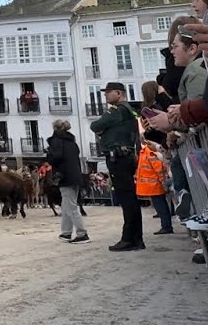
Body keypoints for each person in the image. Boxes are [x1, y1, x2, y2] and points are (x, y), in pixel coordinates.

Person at [90, 82, 142, 251]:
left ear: (119, 93)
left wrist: (102, 131)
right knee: (131, 200)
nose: (105, 95)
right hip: (126, 155)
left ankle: (128, 239)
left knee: (127, 200)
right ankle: (136, 238)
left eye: (108, 92)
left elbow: (95, 126)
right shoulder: (129, 110)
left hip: (118, 157)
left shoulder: (117, 110)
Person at [46, 119, 88, 244]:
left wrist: (48, 155)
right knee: (66, 206)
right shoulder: (72, 142)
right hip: (75, 176)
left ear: (55, 129)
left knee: (71, 207)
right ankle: (66, 232)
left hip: (65, 177)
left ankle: (82, 234)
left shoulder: (56, 141)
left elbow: (56, 157)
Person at [135, 140, 173, 235]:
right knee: (160, 206)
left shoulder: (149, 153)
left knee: (161, 206)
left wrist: (163, 184)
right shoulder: (146, 152)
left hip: (155, 185)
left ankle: (166, 226)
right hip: (153, 186)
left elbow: (159, 170)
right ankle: (166, 226)